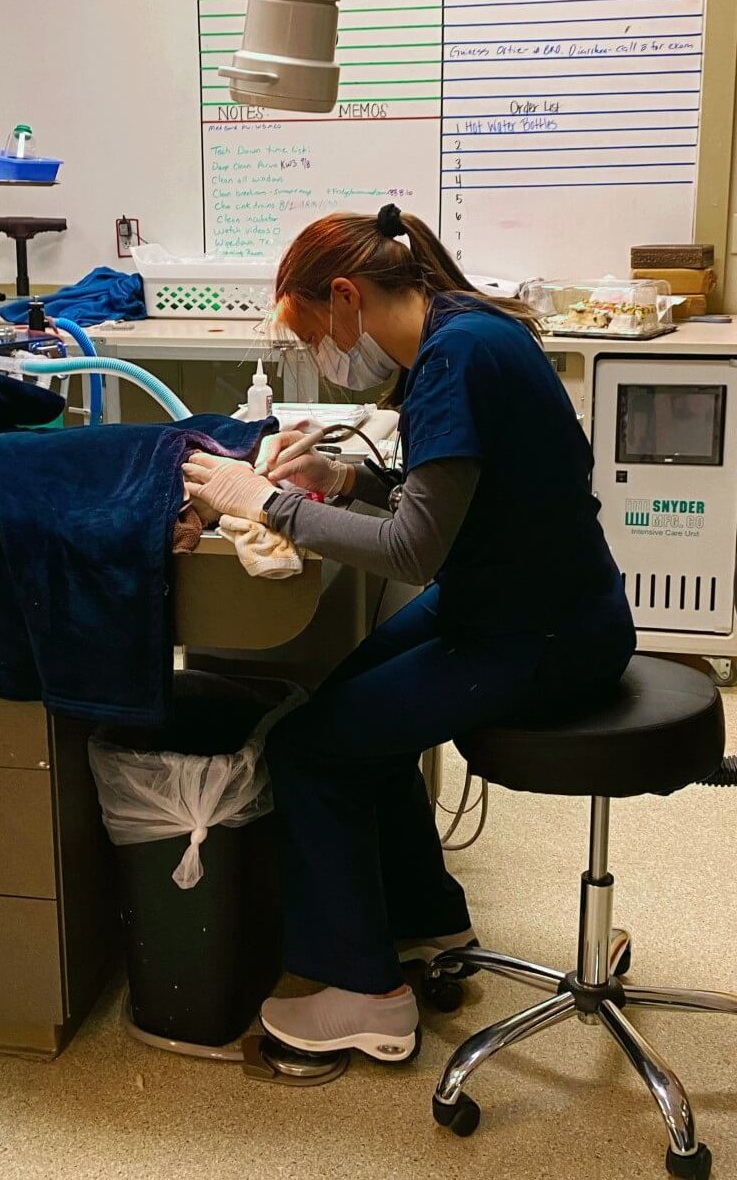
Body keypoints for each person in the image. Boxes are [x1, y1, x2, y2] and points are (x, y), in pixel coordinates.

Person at [182, 205, 636, 1063]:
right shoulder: (463, 330)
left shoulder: (453, 360)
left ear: (347, 296)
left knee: (310, 749)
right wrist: (344, 474)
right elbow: (458, 489)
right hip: (533, 601)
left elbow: (413, 548)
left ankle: (366, 996)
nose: (322, 352)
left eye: (313, 330)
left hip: (539, 636)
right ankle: (425, 917)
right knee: (344, 705)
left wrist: (266, 501)